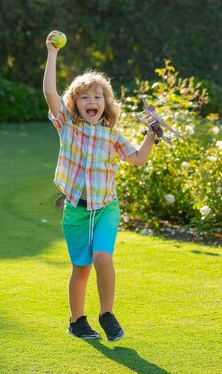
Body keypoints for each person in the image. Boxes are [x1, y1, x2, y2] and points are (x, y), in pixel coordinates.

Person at [43, 30, 156, 341]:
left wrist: (151, 134)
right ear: (75, 103)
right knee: (81, 268)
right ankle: (77, 322)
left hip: (106, 207)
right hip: (76, 210)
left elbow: (137, 159)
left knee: (102, 257)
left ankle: (106, 313)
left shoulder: (113, 135)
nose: (91, 101)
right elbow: (50, 93)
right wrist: (52, 54)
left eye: (97, 97)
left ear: (106, 103)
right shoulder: (67, 125)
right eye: (84, 97)